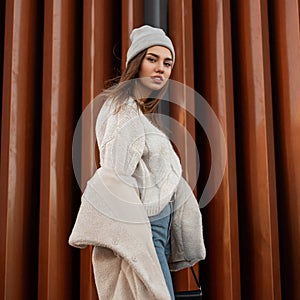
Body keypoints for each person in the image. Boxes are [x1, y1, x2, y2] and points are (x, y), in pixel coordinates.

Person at [69, 25, 206, 300]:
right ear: (136, 63)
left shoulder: (136, 112)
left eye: (167, 63)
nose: (161, 69)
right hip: (147, 232)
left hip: (157, 234)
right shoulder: (124, 110)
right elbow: (116, 176)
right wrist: (137, 237)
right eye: (152, 59)